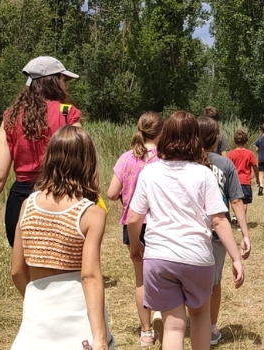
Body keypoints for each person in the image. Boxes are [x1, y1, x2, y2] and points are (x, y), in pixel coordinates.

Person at [126, 111, 245, 350]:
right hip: (197, 258)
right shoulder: (203, 173)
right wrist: (236, 257)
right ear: (196, 140)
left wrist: (136, 244)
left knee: (173, 326)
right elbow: (219, 220)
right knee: (200, 316)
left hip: (159, 258)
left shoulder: (149, 172)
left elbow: (134, 217)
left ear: (165, 137)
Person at [0, 56, 81, 267]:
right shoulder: (68, 114)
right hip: (60, 198)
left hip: (21, 203)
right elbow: (82, 163)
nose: (66, 85)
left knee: (28, 278)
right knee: (62, 275)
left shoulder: (10, 117)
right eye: (64, 79)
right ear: (54, 81)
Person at [9, 126, 114, 350]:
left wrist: (36, 304)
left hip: (37, 315)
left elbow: (17, 270)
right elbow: (90, 276)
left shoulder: (28, 205)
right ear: (88, 163)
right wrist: (100, 339)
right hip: (78, 316)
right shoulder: (91, 213)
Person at [105, 112, 162, 347]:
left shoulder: (127, 158)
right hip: (160, 222)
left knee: (141, 279)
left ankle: (146, 332)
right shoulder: (165, 157)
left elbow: (111, 193)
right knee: (163, 274)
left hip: (134, 224)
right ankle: (165, 317)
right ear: (161, 132)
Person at [196, 117, 252, 346]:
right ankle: (210, 327)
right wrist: (245, 234)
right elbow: (236, 201)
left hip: (193, 231)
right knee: (214, 283)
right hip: (218, 233)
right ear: (217, 137)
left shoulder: (187, 162)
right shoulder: (225, 165)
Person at [227, 130, 258, 212]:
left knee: (235, 201)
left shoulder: (231, 154)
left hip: (234, 182)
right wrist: (258, 178)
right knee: (244, 202)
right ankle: (242, 219)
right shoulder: (249, 153)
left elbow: (228, 168)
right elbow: (255, 166)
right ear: (246, 140)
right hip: (245, 182)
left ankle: (236, 216)